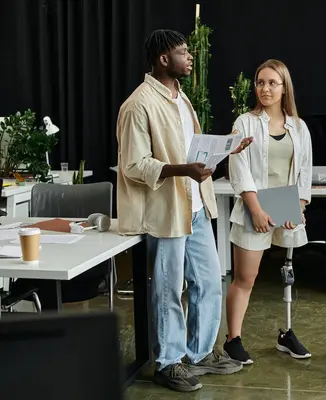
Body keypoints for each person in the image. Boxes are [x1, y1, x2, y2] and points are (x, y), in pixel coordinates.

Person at [116, 29, 253, 393]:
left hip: (194, 206)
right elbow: (133, 164)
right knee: (168, 288)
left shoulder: (180, 98)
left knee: (209, 282)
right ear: (163, 59)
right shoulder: (139, 104)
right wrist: (182, 170)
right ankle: (168, 362)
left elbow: (192, 151)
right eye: (182, 52)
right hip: (165, 212)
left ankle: (199, 353)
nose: (190, 57)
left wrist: (226, 150)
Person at [224, 59, 313, 365]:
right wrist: (256, 209)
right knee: (245, 277)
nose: (265, 88)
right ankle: (232, 340)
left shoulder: (298, 127)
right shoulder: (245, 123)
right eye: (260, 82)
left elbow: (305, 170)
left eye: (272, 83)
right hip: (255, 202)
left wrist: (298, 207)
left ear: (284, 87)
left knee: (288, 274)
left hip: (285, 202)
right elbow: (239, 167)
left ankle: (286, 334)